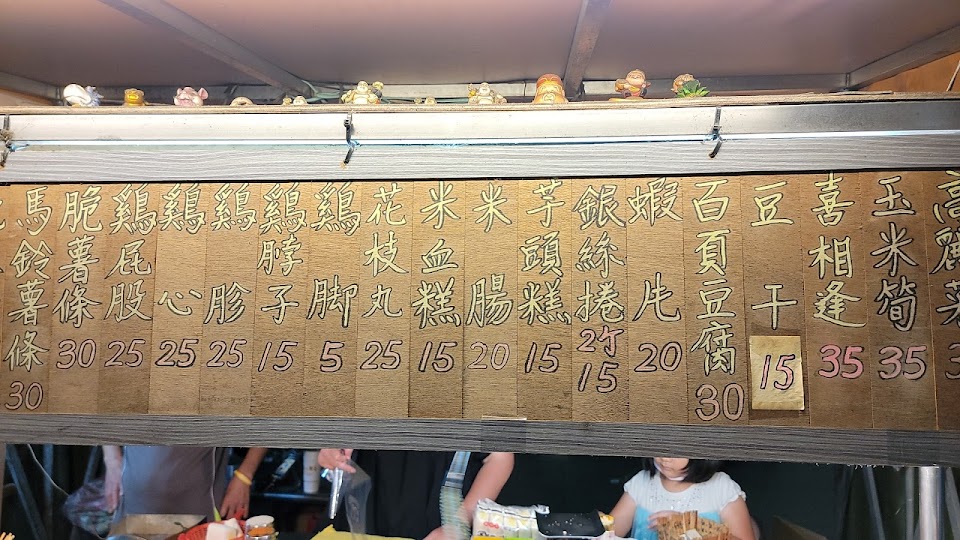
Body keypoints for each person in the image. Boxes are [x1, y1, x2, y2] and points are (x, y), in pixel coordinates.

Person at [319, 449, 514, 540]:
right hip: (363, 512)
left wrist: (458, 524)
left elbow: (500, 456)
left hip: (439, 524)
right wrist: (330, 446)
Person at [103, 446, 267, 522]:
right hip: (133, 509)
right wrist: (111, 458)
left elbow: (269, 406)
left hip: (196, 515)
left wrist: (245, 475)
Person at [609, 457, 755, 540]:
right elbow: (609, 532)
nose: (665, 458)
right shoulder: (641, 483)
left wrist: (692, 527)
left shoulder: (722, 488)